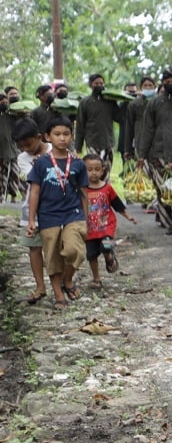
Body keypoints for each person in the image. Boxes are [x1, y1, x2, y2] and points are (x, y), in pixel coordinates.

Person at [26, 116, 90, 310]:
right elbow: (35, 191)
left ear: (72, 136)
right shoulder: (41, 163)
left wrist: (86, 219)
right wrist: (31, 219)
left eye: (66, 134)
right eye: (57, 134)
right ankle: (59, 295)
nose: (62, 138)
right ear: (47, 137)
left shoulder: (78, 163)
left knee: (74, 250)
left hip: (73, 213)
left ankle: (68, 279)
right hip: (48, 215)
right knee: (52, 256)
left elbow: (84, 192)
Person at [138, 69, 172, 234]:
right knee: (163, 189)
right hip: (157, 153)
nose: (170, 83)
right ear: (162, 83)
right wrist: (142, 155)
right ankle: (168, 221)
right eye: (167, 81)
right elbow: (147, 130)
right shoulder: (154, 103)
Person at [82, 153, 137, 288]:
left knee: (106, 245)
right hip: (90, 228)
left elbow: (116, 204)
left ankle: (109, 256)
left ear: (103, 171)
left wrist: (128, 216)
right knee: (91, 255)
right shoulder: (82, 189)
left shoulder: (107, 188)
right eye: (89, 170)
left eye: (97, 169)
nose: (93, 173)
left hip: (107, 225)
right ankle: (96, 279)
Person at [14, 119, 51, 304]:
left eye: (28, 144)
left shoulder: (56, 149)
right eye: (21, 146)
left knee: (57, 248)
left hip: (55, 208)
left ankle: (62, 284)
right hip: (32, 210)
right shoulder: (22, 158)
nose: (26, 149)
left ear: (39, 137)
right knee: (34, 247)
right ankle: (39, 286)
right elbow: (34, 178)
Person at [75, 73, 125, 174]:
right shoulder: (85, 102)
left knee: (106, 170)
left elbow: (120, 118)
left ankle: (104, 188)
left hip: (108, 142)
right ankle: (94, 189)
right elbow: (80, 125)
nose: (99, 85)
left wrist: (125, 103)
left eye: (101, 83)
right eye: (96, 83)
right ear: (90, 85)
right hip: (92, 143)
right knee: (94, 170)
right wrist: (78, 147)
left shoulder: (110, 101)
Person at [120, 76, 156, 163]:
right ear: (141, 87)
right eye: (145, 86)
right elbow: (129, 127)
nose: (148, 88)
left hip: (157, 142)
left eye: (150, 86)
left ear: (155, 87)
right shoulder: (134, 104)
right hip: (139, 141)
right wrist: (127, 149)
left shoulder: (158, 102)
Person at [0, 87, 21, 201]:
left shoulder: (12, 116)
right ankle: (2, 198)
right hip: (2, 151)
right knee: (2, 176)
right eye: (2, 102)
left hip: (13, 150)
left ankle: (13, 196)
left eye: (6, 102)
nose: (4, 104)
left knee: (15, 174)